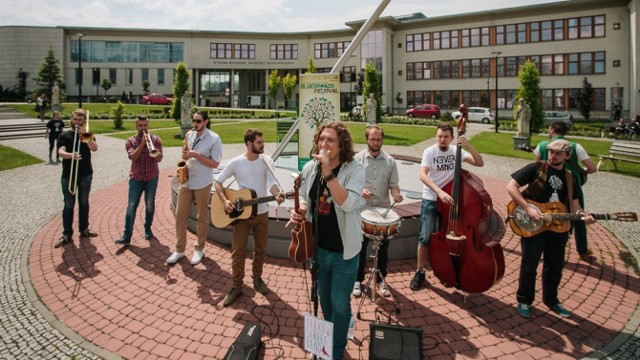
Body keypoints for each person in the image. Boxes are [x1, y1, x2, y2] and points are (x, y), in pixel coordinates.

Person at [288, 121, 365, 359]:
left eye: (330, 140)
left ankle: (337, 349)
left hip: (345, 252)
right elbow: (304, 196)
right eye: (321, 139)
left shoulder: (354, 169)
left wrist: (329, 174)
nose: (324, 144)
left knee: (340, 303)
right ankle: (325, 342)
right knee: (325, 301)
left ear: (342, 145)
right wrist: (299, 210)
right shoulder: (311, 167)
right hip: (319, 249)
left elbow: (349, 203)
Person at [507, 139, 595, 318]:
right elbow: (511, 187)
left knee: (554, 266)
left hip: (558, 227)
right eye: (551, 152)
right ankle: (524, 299)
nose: (553, 156)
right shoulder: (536, 168)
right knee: (529, 264)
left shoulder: (570, 177)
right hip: (534, 223)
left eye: (558, 153)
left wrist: (584, 216)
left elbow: (576, 206)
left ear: (568, 156)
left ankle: (552, 300)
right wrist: (528, 208)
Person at [213, 128, 285, 307]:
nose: (263, 145)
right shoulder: (236, 163)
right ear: (249, 144)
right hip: (242, 215)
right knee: (238, 252)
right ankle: (237, 286)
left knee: (260, 250)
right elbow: (218, 181)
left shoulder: (267, 161)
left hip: (261, 213)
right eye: (260, 142)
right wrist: (224, 201)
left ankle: (257, 279)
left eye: (262, 142)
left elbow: (272, 183)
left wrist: (277, 194)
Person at [410, 122, 484, 291]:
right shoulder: (429, 151)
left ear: (451, 138)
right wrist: (439, 192)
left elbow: (479, 163)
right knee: (425, 238)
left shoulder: (456, 151)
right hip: (431, 199)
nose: (442, 139)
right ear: (436, 136)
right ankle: (420, 271)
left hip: (450, 201)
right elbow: (423, 175)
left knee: (446, 238)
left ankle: (441, 271)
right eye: (439, 136)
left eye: (446, 137)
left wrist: (468, 145)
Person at [533, 121, 597, 261]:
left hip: (546, 186)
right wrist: (581, 173)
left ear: (552, 130)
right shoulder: (575, 147)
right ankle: (582, 250)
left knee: (545, 215)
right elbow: (592, 168)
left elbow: (536, 166)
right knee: (578, 216)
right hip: (572, 187)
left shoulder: (542, 145)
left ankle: (540, 248)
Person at [352, 125, 403, 298]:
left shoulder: (390, 161)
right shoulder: (356, 159)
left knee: (383, 248)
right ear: (367, 139)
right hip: (362, 210)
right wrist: (359, 191)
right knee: (360, 247)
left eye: (378, 139)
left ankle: (381, 281)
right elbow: (350, 184)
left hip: (382, 212)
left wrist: (396, 195)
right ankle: (357, 279)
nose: (375, 142)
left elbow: (394, 185)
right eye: (372, 139)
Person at [167, 111, 222, 265]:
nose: (195, 124)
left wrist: (197, 156)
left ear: (206, 122)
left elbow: (216, 163)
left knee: (202, 217)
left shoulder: (214, 139)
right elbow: (185, 154)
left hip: (203, 182)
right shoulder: (190, 135)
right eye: (194, 121)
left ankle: (199, 249)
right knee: (180, 215)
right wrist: (184, 158)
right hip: (187, 181)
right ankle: (179, 250)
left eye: (198, 121)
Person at [115, 115, 164, 246]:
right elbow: (132, 157)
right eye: (140, 126)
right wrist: (142, 143)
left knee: (149, 204)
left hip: (151, 177)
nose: (143, 128)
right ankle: (127, 235)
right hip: (136, 178)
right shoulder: (130, 141)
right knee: (131, 206)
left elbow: (159, 159)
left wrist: (154, 149)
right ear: (136, 126)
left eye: (145, 125)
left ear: (148, 125)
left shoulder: (156, 140)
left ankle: (148, 228)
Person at [55, 108, 98, 248]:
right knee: (68, 205)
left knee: (84, 202)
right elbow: (60, 152)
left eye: (80, 120)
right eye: (75, 119)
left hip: (85, 174)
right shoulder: (64, 135)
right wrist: (70, 155)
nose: (77, 122)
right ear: (71, 120)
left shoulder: (86, 135)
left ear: (84, 121)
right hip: (69, 175)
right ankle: (67, 233)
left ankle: (84, 229)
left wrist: (84, 135)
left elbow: (94, 148)